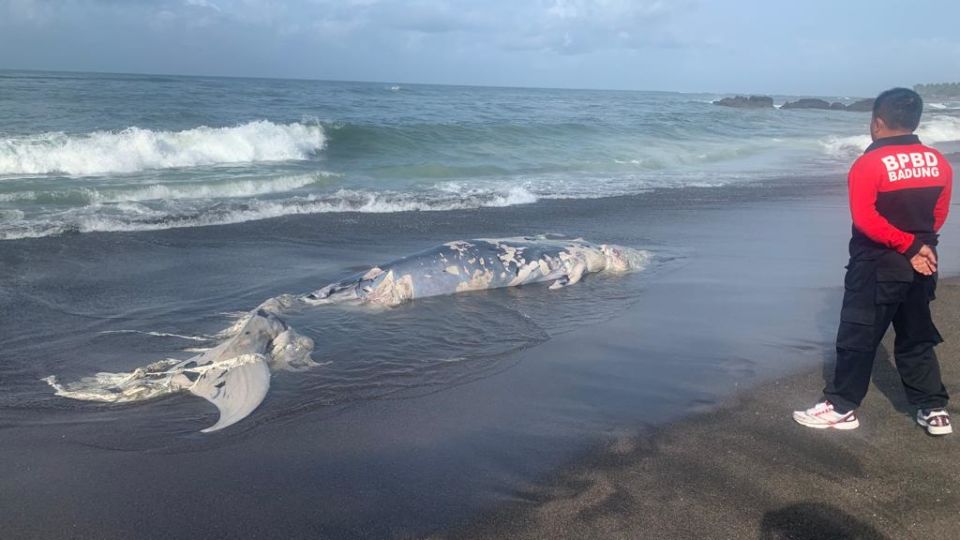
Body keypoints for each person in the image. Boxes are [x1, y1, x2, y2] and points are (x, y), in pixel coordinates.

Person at [793, 88, 954, 435]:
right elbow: (937, 215)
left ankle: (841, 407)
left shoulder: (868, 164)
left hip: (879, 264)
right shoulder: (938, 162)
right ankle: (933, 409)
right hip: (924, 262)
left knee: (858, 335)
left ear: (877, 123)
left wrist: (908, 246)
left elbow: (866, 218)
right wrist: (920, 248)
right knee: (916, 335)